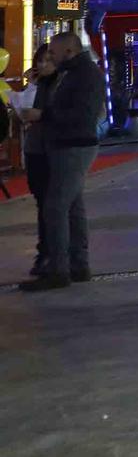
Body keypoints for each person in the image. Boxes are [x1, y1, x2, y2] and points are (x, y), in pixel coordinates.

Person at [19, 32, 108, 292]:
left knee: (55, 206)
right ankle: (78, 265)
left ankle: (59, 269)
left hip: (74, 145)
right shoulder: (69, 73)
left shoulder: (85, 74)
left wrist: (43, 114)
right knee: (72, 205)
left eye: (54, 54)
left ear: (69, 50)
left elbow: (82, 114)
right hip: (65, 145)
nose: (51, 58)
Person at [13, 44, 58, 281]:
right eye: (40, 60)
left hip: (55, 150)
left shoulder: (62, 85)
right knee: (42, 203)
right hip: (35, 150)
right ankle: (46, 252)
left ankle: (53, 253)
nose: (42, 64)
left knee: (54, 205)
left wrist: (42, 115)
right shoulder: (35, 86)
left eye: (48, 60)